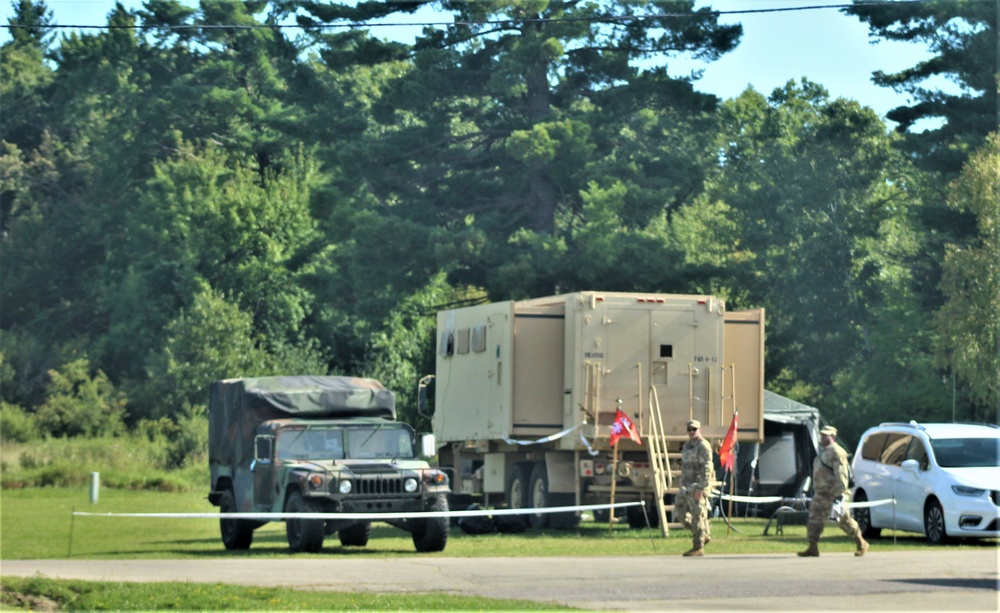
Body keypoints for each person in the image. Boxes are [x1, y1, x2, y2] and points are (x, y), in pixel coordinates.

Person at [798, 425, 868, 557]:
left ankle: (861, 543)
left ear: (833, 436)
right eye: (822, 435)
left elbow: (841, 474)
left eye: (826, 435)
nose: (823, 437)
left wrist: (841, 493)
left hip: (834, 493)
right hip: (821, 493)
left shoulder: (837, 452)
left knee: (844, 521)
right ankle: (813, 546)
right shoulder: (822, 451)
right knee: (814, 519)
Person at [676, 419, 713, 557]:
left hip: (697, 486)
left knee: (697, 516)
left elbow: (707, 469)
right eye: (689, 430)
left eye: (694, 429)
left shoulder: (703, 446)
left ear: (699, 430)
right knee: (680, 513)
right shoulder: (687, 446)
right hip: (686, 486)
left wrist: (701, 488)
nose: (692, 432)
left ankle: (698, 547)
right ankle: (704, 534)